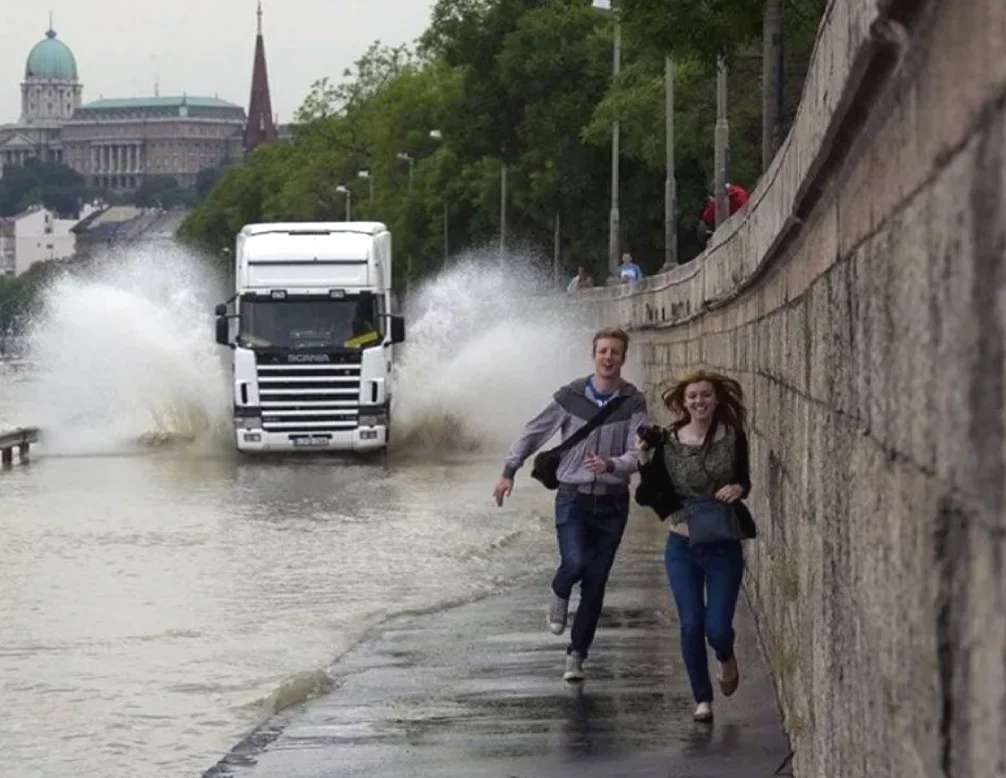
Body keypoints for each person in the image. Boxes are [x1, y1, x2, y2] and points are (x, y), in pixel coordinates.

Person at [493, 328, 648, 682]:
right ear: (592, 355)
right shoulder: (570, 396)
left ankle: (576, 654)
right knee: (575, 563)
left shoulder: (634, 402)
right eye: (603, 351)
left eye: (615, 352)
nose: (609, 357)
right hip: (573, 498)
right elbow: (534, 431)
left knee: (596, 582)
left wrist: (611, 465)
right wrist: (508, 471)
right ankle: (560, 589)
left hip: (613, 503)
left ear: (623, 359)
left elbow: (639, 454)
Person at [633, 370, 756, 723]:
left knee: (716, 627)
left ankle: (725, 654)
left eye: (705, 395)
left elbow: (743, 479)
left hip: (722, 545)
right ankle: (702, 699)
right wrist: (644, 459)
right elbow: (653, 491)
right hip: (682, 547)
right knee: (690, 624)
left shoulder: (733, 437)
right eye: (692, 397)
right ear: (683, 403)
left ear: (716, 399)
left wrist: (739, 490)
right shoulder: (669, 440)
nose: (699, 402)